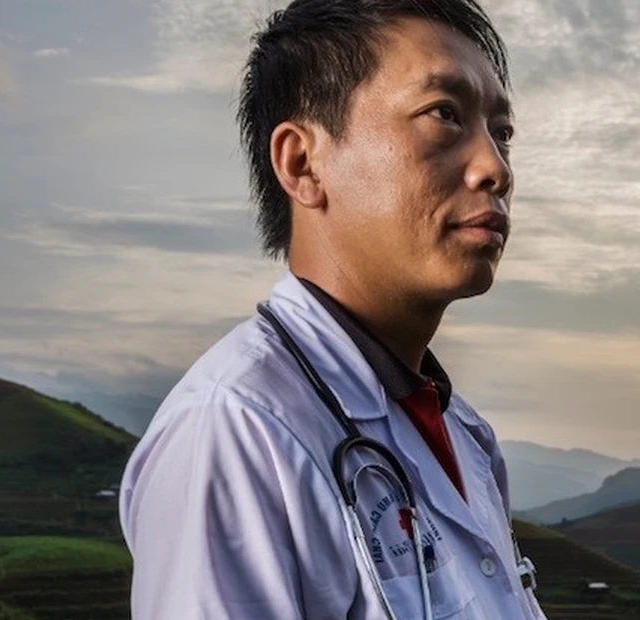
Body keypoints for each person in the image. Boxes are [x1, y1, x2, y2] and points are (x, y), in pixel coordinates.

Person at [117, 0, 545, 617]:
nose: (495, 169)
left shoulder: (464, 435)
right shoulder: (235, 433)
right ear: (302, 163)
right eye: (443, 115)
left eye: (501, 134)